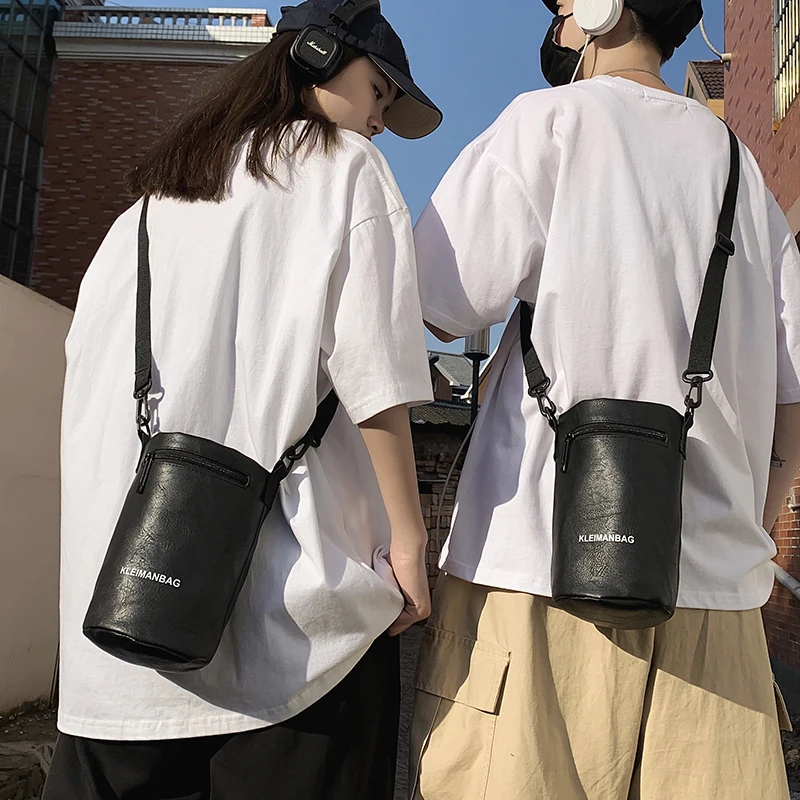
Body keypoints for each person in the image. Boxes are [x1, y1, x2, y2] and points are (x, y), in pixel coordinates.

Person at [43, 2, 442, 798]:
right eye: (378, 90)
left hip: (120, 640)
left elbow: (86, 377)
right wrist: (408, 541)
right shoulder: (347, 170)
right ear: (317, 55)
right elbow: (378, 375)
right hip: (289, 643)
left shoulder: (147, 209)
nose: (380, 121)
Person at [409, 1, 800, 798]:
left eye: (561, 11)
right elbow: (794, 392)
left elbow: (438, 300)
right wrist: (754, 523)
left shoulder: (546, 123)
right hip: (716, 602)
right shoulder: (744, 173)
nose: (556, 32)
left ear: (601, 11)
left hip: (538, 574)